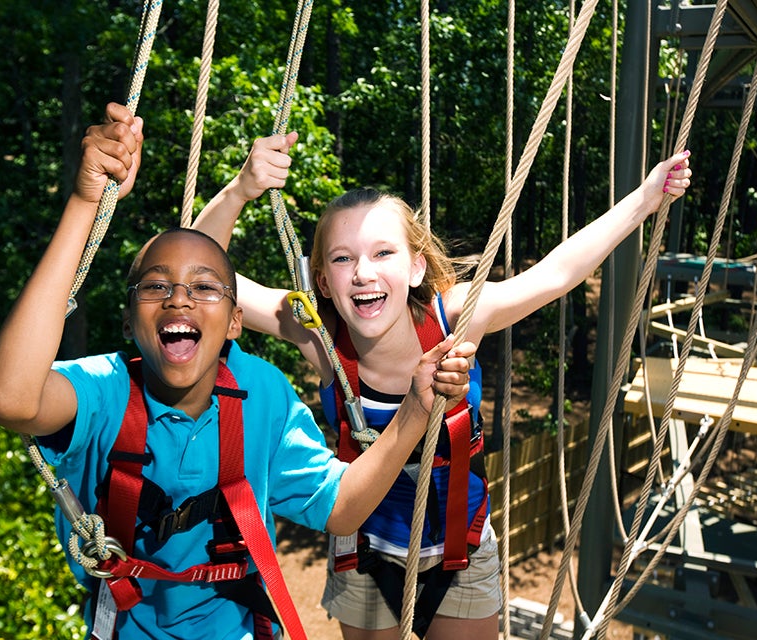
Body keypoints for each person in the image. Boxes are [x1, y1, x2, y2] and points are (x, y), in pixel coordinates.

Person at [0, 102, 476, 640]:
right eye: (156, 287)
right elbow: (9, 397)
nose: (180, 300)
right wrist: (84, 204)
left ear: (237, 319)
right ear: (128, 319)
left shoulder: (262, 396)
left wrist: (416, 409)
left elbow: (341, 509)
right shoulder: (105, 392)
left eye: (204, 289)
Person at [192, 132, 693, 640]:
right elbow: (198, 277)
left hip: (460, 551)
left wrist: (647, 197)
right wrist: (239, 191)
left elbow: (557, 273)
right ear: (322, 281)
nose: (363, 272)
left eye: (383, 253)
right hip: (363, 554)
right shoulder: (319, 336)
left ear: (415, 267)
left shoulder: (454, 320)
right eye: (342, 259)